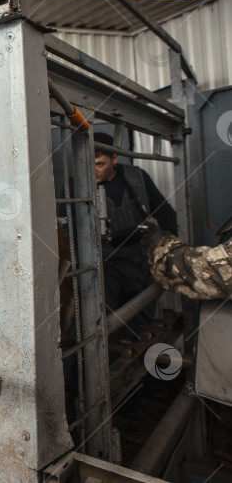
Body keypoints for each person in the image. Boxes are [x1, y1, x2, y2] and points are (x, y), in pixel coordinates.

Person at [93, 132, 178, 340]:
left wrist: (173, 248)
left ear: (115, 158)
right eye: (89, 163)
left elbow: (166, 212)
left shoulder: (137, 177)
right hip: (106, 267)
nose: (93, 170)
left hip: (140, 262)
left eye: (100, 164)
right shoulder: (75, 184)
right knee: (110, 328)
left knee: (141, 329)